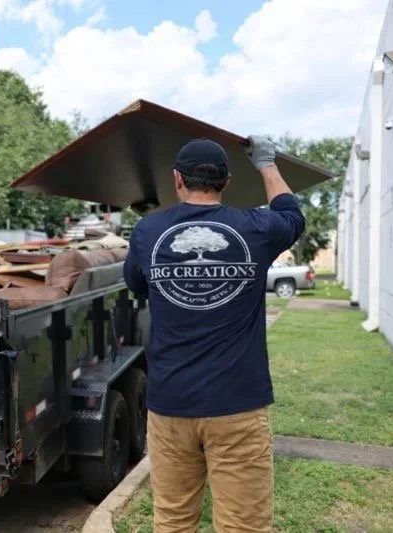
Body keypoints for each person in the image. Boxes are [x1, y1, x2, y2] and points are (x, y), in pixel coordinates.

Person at [123, 136, 305, 532]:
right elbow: (292, 215)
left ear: (176, 179)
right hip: (237, 406)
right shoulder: (256, 229)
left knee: (173, 520)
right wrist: (267, 163)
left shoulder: (148, 231)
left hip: (170, 405)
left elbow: (138, 285)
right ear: (225, 181)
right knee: (244, 525)